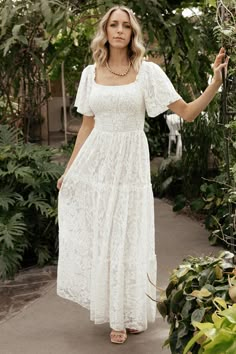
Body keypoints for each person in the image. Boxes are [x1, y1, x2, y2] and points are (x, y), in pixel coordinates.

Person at [56, 5, 229, 345]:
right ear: (105, 31)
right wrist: (70, 170)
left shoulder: (147, 72)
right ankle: (115, 316)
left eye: (125, 26)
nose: (119, 30)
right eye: (113, 25)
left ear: (132, 33)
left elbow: (188, 113)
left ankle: (130, 312)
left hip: (131, 168)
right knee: (107, 235)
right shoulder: (90, 74)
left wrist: (215, 82)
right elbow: (87, 125)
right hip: (100, 165)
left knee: (129, 236)